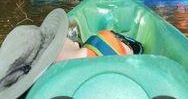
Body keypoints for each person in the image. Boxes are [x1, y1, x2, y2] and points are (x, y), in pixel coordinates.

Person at [0, 9, 143, 99]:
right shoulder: (103, 42)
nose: (66, 36)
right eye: (61, 36)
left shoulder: (46, 83)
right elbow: (135, 50)